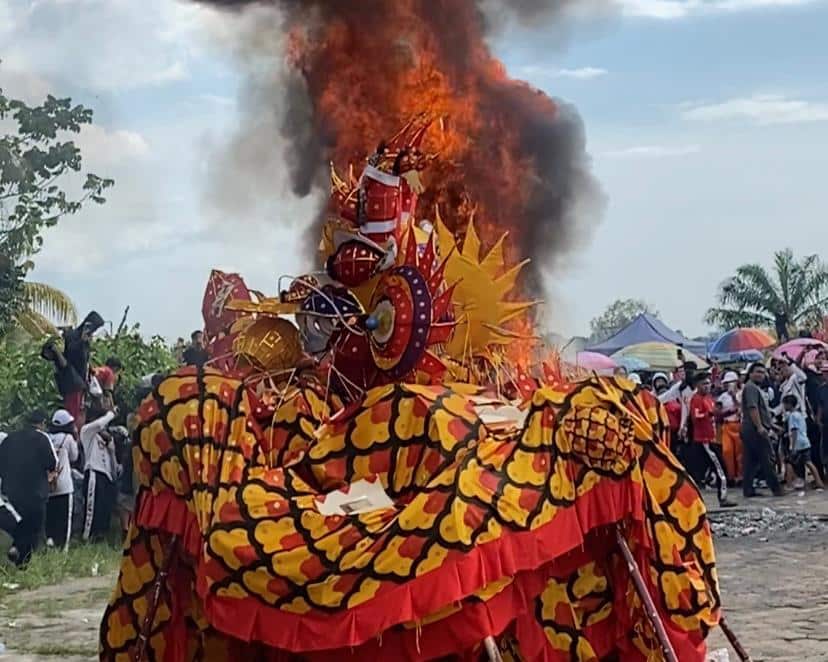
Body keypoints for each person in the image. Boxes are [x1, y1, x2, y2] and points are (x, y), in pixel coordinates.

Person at [0, 410, 57, 566]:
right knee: (33, 529)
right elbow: (51, 463)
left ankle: (16, 552)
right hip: (35, 492)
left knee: (20, 526)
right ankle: (22, 562)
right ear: (42, 424)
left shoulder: (8, 439)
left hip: (11, 494)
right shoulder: (42, 438)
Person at [42, 312, 105, 423]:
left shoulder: (85, 341)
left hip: (80, 382)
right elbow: (71, 353)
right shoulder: (74, 336)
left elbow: (83, 360)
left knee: (80, 412)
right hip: (72, 382)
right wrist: (82, 340)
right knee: (73, 415)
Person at [689, 374, 736, 507]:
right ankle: (723, 497)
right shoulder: (696, 399)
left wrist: (728, 412)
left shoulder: (709, 399)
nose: (707, 386)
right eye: (704, 384)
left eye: (708, 383)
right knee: (719, 468)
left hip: (711, 438)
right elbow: (696, 416)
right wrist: (711, 413)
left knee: (710, 469)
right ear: (697, 385)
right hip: (704, 440)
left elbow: (715, 414)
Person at [741, 363, 783, 497]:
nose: (761, 375)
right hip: (754, 429)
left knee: (751, 461)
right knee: (767, 458)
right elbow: (753, 408)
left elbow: (761, 411)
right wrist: (760, 426)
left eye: (763, 372)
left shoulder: (754, 388)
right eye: (758, 372)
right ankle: (776, 489)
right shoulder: (751, 388)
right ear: (750, 373)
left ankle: (748, 489)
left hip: (751, 428)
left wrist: (772, 426)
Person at [80, 406, 120, 541]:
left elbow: (113, 462)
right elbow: (97, 425)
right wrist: (111, 414)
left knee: (104, 509)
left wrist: (111, 449)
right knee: (92, 507)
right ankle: (87, 536)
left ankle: (100, 535)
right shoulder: (87, 433)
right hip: (94, 472)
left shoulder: (108, 439)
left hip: (106, 476)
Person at [45, 409, 79, 551]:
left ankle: (50, 546)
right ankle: (63, 550)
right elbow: (74, 457)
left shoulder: (46, 438)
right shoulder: (68, 439)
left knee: (50, 520)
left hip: (48, 486)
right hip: (64, 486)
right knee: (65, 520)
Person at [782, 394, 824, 492]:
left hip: (798, 444)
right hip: (805, 442)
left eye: (785, 404)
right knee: (809, 462)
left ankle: (789, 485)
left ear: (789, 404)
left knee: (789, 463)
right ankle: (819, 482)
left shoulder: (792, 416)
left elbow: (794, 431)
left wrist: (792, 446)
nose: (784, 407)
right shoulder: (800, 415)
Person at [716, 371, 743, 484]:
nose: (728, 385)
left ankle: (740, 476)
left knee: (740, 452)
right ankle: (731, 476)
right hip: (727, 425)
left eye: (730, 382)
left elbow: (740, 408)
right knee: (727, 451)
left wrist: (734, 397)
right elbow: (717, 411)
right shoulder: (723, 396)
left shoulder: (742, 393)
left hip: (738, 424)